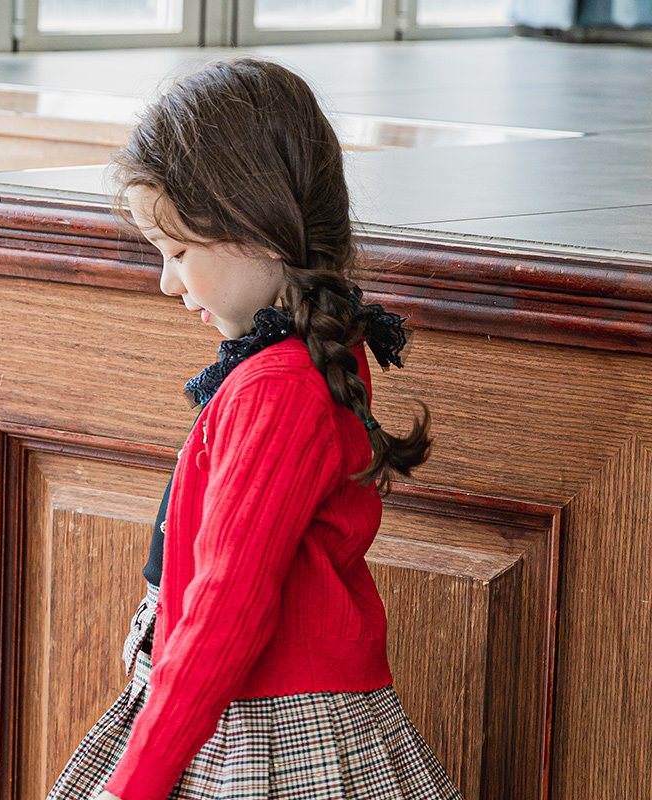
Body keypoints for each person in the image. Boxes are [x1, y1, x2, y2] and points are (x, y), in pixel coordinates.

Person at [46, 56, 464, 800]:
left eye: (178, 252)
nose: (167, 282)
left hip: (257, 729)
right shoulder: (305, 357)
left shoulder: (279, 387)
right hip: (237, 704)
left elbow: (227, 609)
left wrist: (133, 786)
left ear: (260, 230)